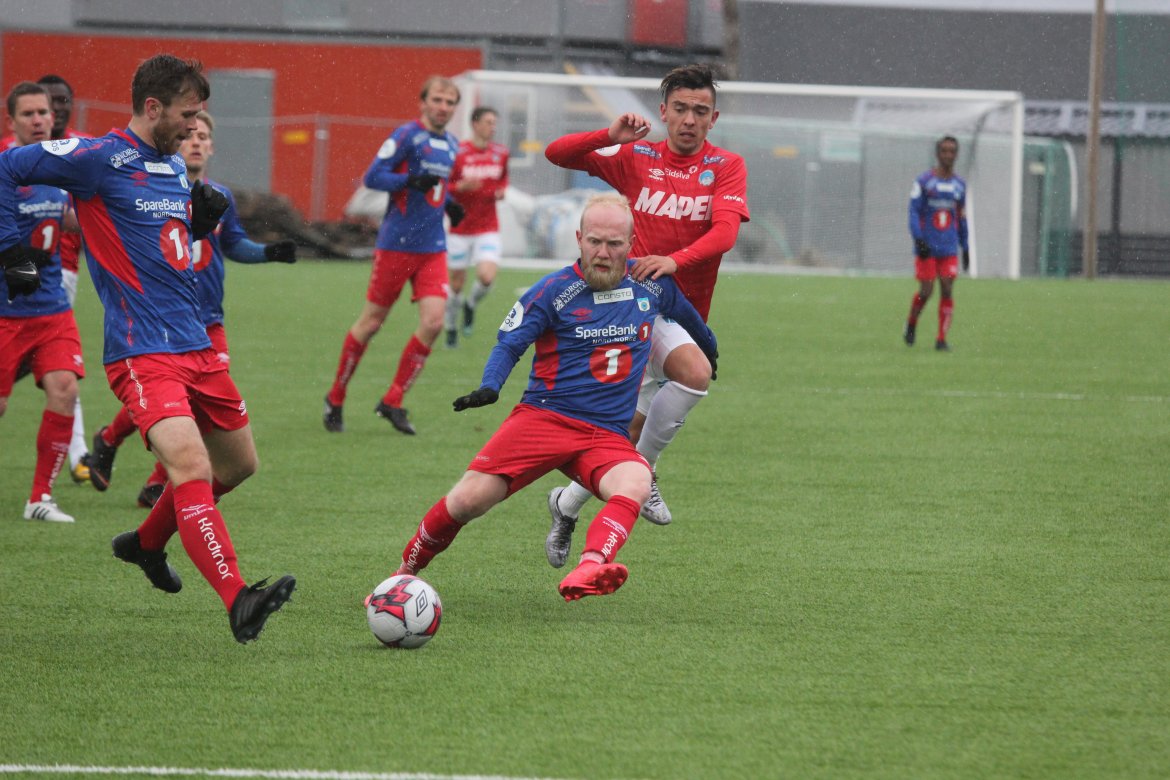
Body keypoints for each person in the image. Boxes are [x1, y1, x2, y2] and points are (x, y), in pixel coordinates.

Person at [0, 54, 295, 643]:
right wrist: (11, 250)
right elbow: (8, 167)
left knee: (239, 465)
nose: (194, 127)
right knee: (190, 466)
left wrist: (198, 224)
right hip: (141, 351)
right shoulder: (97, 157)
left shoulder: (171, 166)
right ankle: (238, 597)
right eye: (187, 115)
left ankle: (146, 543)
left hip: (197, 344)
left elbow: (158, 243)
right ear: (153, 107)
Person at [387, 194, 718, 601]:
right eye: (594, 241)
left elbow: (688, 317)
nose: (603, 252)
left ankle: (590, 566)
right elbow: (510, 343)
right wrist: (491, 385)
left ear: (631, 244)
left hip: (604, 435)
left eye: (614, 244)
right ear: (579, 239)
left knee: (636, 479)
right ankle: (402, 575)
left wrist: (709, 350)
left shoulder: (652, 283)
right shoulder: (553, 290)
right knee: (467, 500)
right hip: (543, 421)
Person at [540, 63, 749, 561]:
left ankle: (565, 506)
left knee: (626, 434)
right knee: (695, 374)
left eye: (700, 111)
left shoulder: (726, 165)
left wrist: (676, 260)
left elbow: (725, 232)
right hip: (632, 308)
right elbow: (556, 153)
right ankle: (646, 472)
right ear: (664, 112)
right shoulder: (637, 156)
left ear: (714, 118)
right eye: (681, 109)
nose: (690, 119)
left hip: (686, 313)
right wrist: (607, 135)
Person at [86, 109, 297, 509]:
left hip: (208, 321)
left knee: (202, 398)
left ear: (212, 147)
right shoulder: (154, 191)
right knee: (176, 398)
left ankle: (149, 474)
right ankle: (119, 447)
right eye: (190, 135)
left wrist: (268, 252)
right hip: (162, 321)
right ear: (174, 141)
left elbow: (233, 245)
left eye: (204, 137)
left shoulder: (219, 197)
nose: (196, 142)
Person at [322, 75, 465, 436]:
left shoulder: (452, 144)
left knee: (434, 322)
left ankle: (393, 399)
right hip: (396, 246)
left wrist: (449, 204)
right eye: (437, 100)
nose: (443, 107)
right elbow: (373, 177)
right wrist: (408, 181)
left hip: (433, 248)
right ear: (423, 102)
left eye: (450, 102)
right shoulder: (406, 135)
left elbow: (437, 186)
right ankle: (336, 395)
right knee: (371, 323)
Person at [0, 75, 92, 484]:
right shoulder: (5, 164)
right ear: (12, 121)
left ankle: (45, 493)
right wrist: (12, 256)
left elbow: (70, 218)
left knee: (64, 385)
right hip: (6, 306)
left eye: (44, 112)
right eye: (29, 113)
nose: (39, 119)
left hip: (53, 296)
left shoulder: (64, 163)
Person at [443, 105, 508, 348]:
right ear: (475, 124)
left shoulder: (501, 153)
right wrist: (460, 187)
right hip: (459, 229)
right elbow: (443, 187)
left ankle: (470, 304)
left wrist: (501, 191)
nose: (493, 127)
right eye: (489, 122)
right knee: (456, 285)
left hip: (487, 228)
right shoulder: (458, 153)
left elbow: (503, 180)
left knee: (487, 277)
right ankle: (451, 328)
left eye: (494, 123)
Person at [903, 135, 969, 351]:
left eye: (952, 151)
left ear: (956, 155)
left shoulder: (960, 185)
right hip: (927, 246)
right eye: (944, 151)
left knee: (947, 288)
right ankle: (911, 322)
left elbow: (961, 216)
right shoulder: (924, 182)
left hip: (949, 246)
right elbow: (914, 212)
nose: (948, 155)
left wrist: (966, 246)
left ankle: (941, 339)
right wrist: (919, 239)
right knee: (926, 291)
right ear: (937, 154)